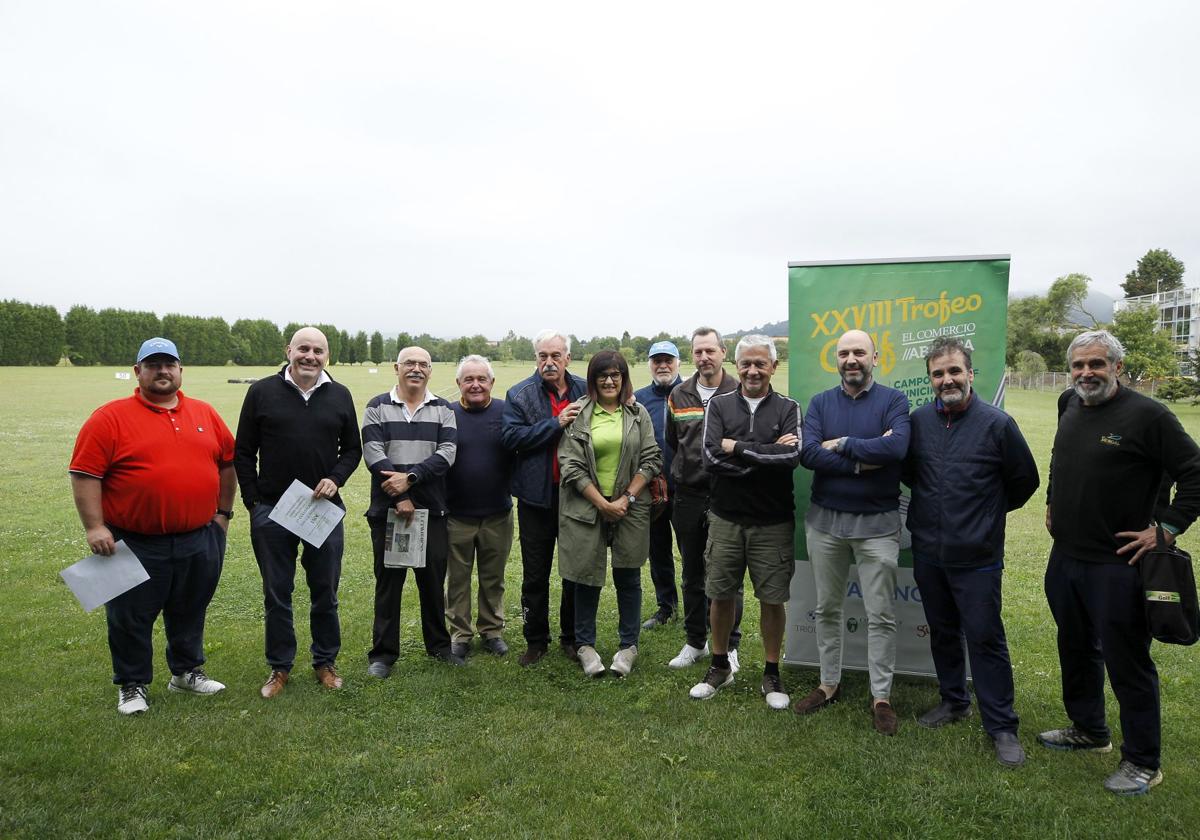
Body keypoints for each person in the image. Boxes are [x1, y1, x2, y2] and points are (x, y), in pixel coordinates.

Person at [1040, 329, 1200, 795]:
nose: (1086, 373)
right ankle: (1089, 730)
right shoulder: (1068, 402)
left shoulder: (1150, 416)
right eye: (1079, 365)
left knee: (1126, 660)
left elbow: (1195, 472)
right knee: (1074, 646)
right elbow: (1059, 456)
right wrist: (1052, 499)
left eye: (1097, 364)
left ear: (1118, 368)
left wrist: (1165, 529)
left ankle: (1143, 762)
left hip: (1119, 565)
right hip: (1066, 556)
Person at [69, 337, 235, 714]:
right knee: (130, 615)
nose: (162, 371)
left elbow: (228, 462)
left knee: (190, 607)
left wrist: (223, 513)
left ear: (180, 370)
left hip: (199, 536)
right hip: (133, 540)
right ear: (137, 371)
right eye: (153, 364)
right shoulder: (109, 417)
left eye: (169, 364)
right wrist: (95, 527)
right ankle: (132, 685)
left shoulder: (204, 413)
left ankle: (186, 672)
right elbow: (84, 474)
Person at [901, 337, 1039, 767]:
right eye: (938, 374)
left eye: (954, 371)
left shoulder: (998, 424)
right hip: (928, 551)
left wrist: (985, 514)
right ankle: (953, 700)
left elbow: (1025, 482)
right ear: (930, 380)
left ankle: (1002, 726)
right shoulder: (918, 421)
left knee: (985, 638)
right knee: (942, 632)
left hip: (977, 556)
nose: (947, 380)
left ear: (970, 374)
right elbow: (910, 474)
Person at [794, 329, 910, 735]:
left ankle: (881, 696)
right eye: (844, 353)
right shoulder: (821, 402)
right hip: (825, 523)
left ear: (875, 358)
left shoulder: (894, 400)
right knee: (827, 608)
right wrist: (863, 459)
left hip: (878, 526)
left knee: (880, 614)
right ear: (836, 360)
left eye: (859, 352)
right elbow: (808, 454)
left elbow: (896, 451)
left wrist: (840, 443)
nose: (851, 359)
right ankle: (828, 684)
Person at [235, 326, 361, 698]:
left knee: (326, 591)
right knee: (277, 593)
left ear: (328, 356)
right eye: (303, 348)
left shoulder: (339, 394)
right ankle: (279, 667)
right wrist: (254, 503)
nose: (310, 356)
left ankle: (325, 662)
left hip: (322, 511)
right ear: (289, 350)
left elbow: (352, 449)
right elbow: (243, 451)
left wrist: (335, 479)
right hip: (273, 511)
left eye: (318, 351)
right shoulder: (261, 391)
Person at [691, 334, 802, 709]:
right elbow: (709, 458)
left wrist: (737, 447)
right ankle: (719, 665)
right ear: (736, 366)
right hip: (725, 518)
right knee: (720, 594)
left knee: (772, 598)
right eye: (746, 364)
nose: (753, 370)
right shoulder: (720, 406)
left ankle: (771, 672)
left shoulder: (789, 407)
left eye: (760, 363)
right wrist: (765, 454)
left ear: (774, 366)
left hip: (772, 522)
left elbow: (790, 459)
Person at [558, 351, 662, 677]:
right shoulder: (577, 413)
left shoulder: (637, 412)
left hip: (630, 507)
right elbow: (570, 466)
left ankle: (628, 646)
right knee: (586, 577)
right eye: (602, 375)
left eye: (615, 374)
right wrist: (602, 504)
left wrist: (627, 498)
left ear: (624, 378)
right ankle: (585, 646)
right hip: (587, 507)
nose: (609, 380)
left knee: (628, 576)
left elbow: (651, 458)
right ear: (592, 379)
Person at [362, 345, 461, 674]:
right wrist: (398, 496)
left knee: (432, 583)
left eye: (423, 364)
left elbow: (447, 453)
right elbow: (373, 453)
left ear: (430, 371)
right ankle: (382, 655)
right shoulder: (377, 406)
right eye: (410, 363)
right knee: (389, 584)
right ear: (396, 367)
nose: (416, 369)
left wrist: (411, 479)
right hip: (388, 512)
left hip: (432, 512)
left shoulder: (443, 409)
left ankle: (439, 647)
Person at [502, 330, 587, 666]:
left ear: (567, 357)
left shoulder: (585, 388)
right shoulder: (519, 394)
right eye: (542, 356)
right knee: (535, 574)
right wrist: (555, 424)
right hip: (537, 498)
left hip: (578, 495)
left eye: (555, 356)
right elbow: (510, 437)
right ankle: (535, 641)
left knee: (574, 570)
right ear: (535, 358)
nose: (549, 362)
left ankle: (572, 638)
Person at [665, 327, 744, 670]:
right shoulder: (679, 394)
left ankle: (728, 646)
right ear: (692, 355)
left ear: (723, 353)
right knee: (692, 572)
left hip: (728, 495)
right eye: (698, 352)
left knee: (727, 574)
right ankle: (695, 641)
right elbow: (674, 442)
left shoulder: (740, 391)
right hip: (689, 496)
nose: (704, 358)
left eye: (710, 351)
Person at [445, 355, 514, 659]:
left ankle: (492, 630)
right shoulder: (445, 414)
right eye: (468, 379)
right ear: (458, 383)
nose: (475, 385)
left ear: (492, 383)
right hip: (456, 514)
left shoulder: (506, 411)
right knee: (457, 580)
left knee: (493, 577)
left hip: (497, 513)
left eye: (481, 379)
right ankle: (460, 635)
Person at [633, 340, 683, 630]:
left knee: (693, 553)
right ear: (649, 364)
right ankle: (667, 606)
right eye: (657, 361)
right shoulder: (638, 400)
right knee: (659, 551)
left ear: (678, 362)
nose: (662, 366)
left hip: (688, 489)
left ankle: (699, 607)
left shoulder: (691, 393)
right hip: (651, 490)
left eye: (668, 360)